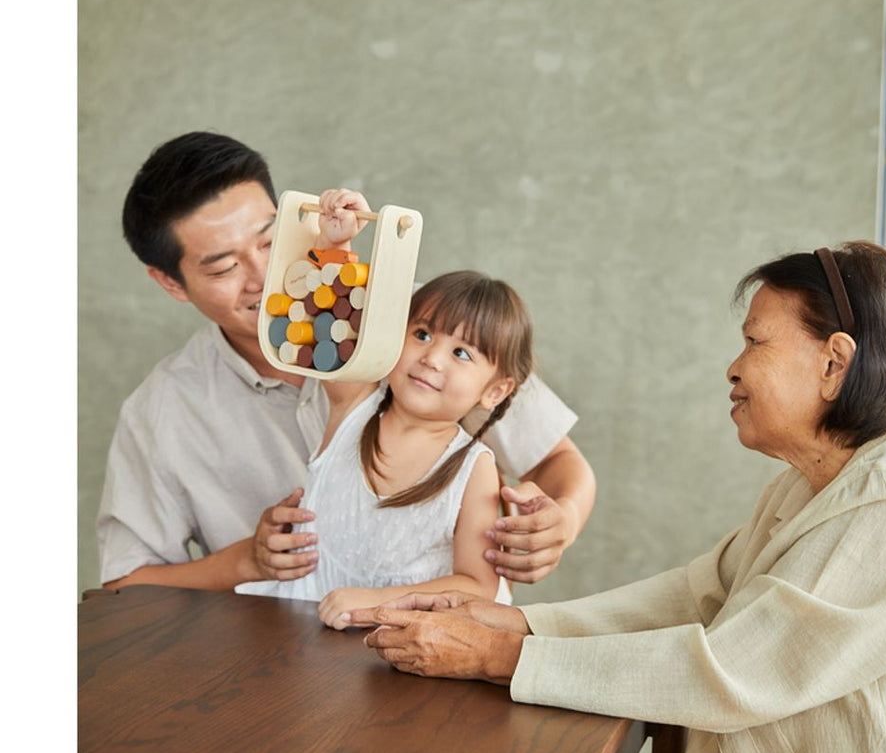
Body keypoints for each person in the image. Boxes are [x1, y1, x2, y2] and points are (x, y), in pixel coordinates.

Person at [345, 242, 886, 753]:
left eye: (755, 341)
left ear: (834, 363)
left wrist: (496, 655)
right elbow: (693, 596)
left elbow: (732, 671)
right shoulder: (810, 485)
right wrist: (521, 626)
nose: (732, 368)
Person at [97, 132, 596, 591]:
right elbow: (122, 588)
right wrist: (247, 561)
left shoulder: (425, 327)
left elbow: (559, 462)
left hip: (438, 650)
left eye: (270, 241)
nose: (262, 274)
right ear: (169, 283)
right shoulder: (162, 410)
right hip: (275, 669)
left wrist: (560, 522)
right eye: (225, 267)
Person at [239, 269, 534, 620]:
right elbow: (328, 310)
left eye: (462, 353)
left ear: (495, 391)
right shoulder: (352, 404)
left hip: (394, 656)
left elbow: (477, 584)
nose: (432, 358)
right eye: (422, 334)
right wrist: (334, 241)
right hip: (294, 631)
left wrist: (377, 600)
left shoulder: (474, 467)